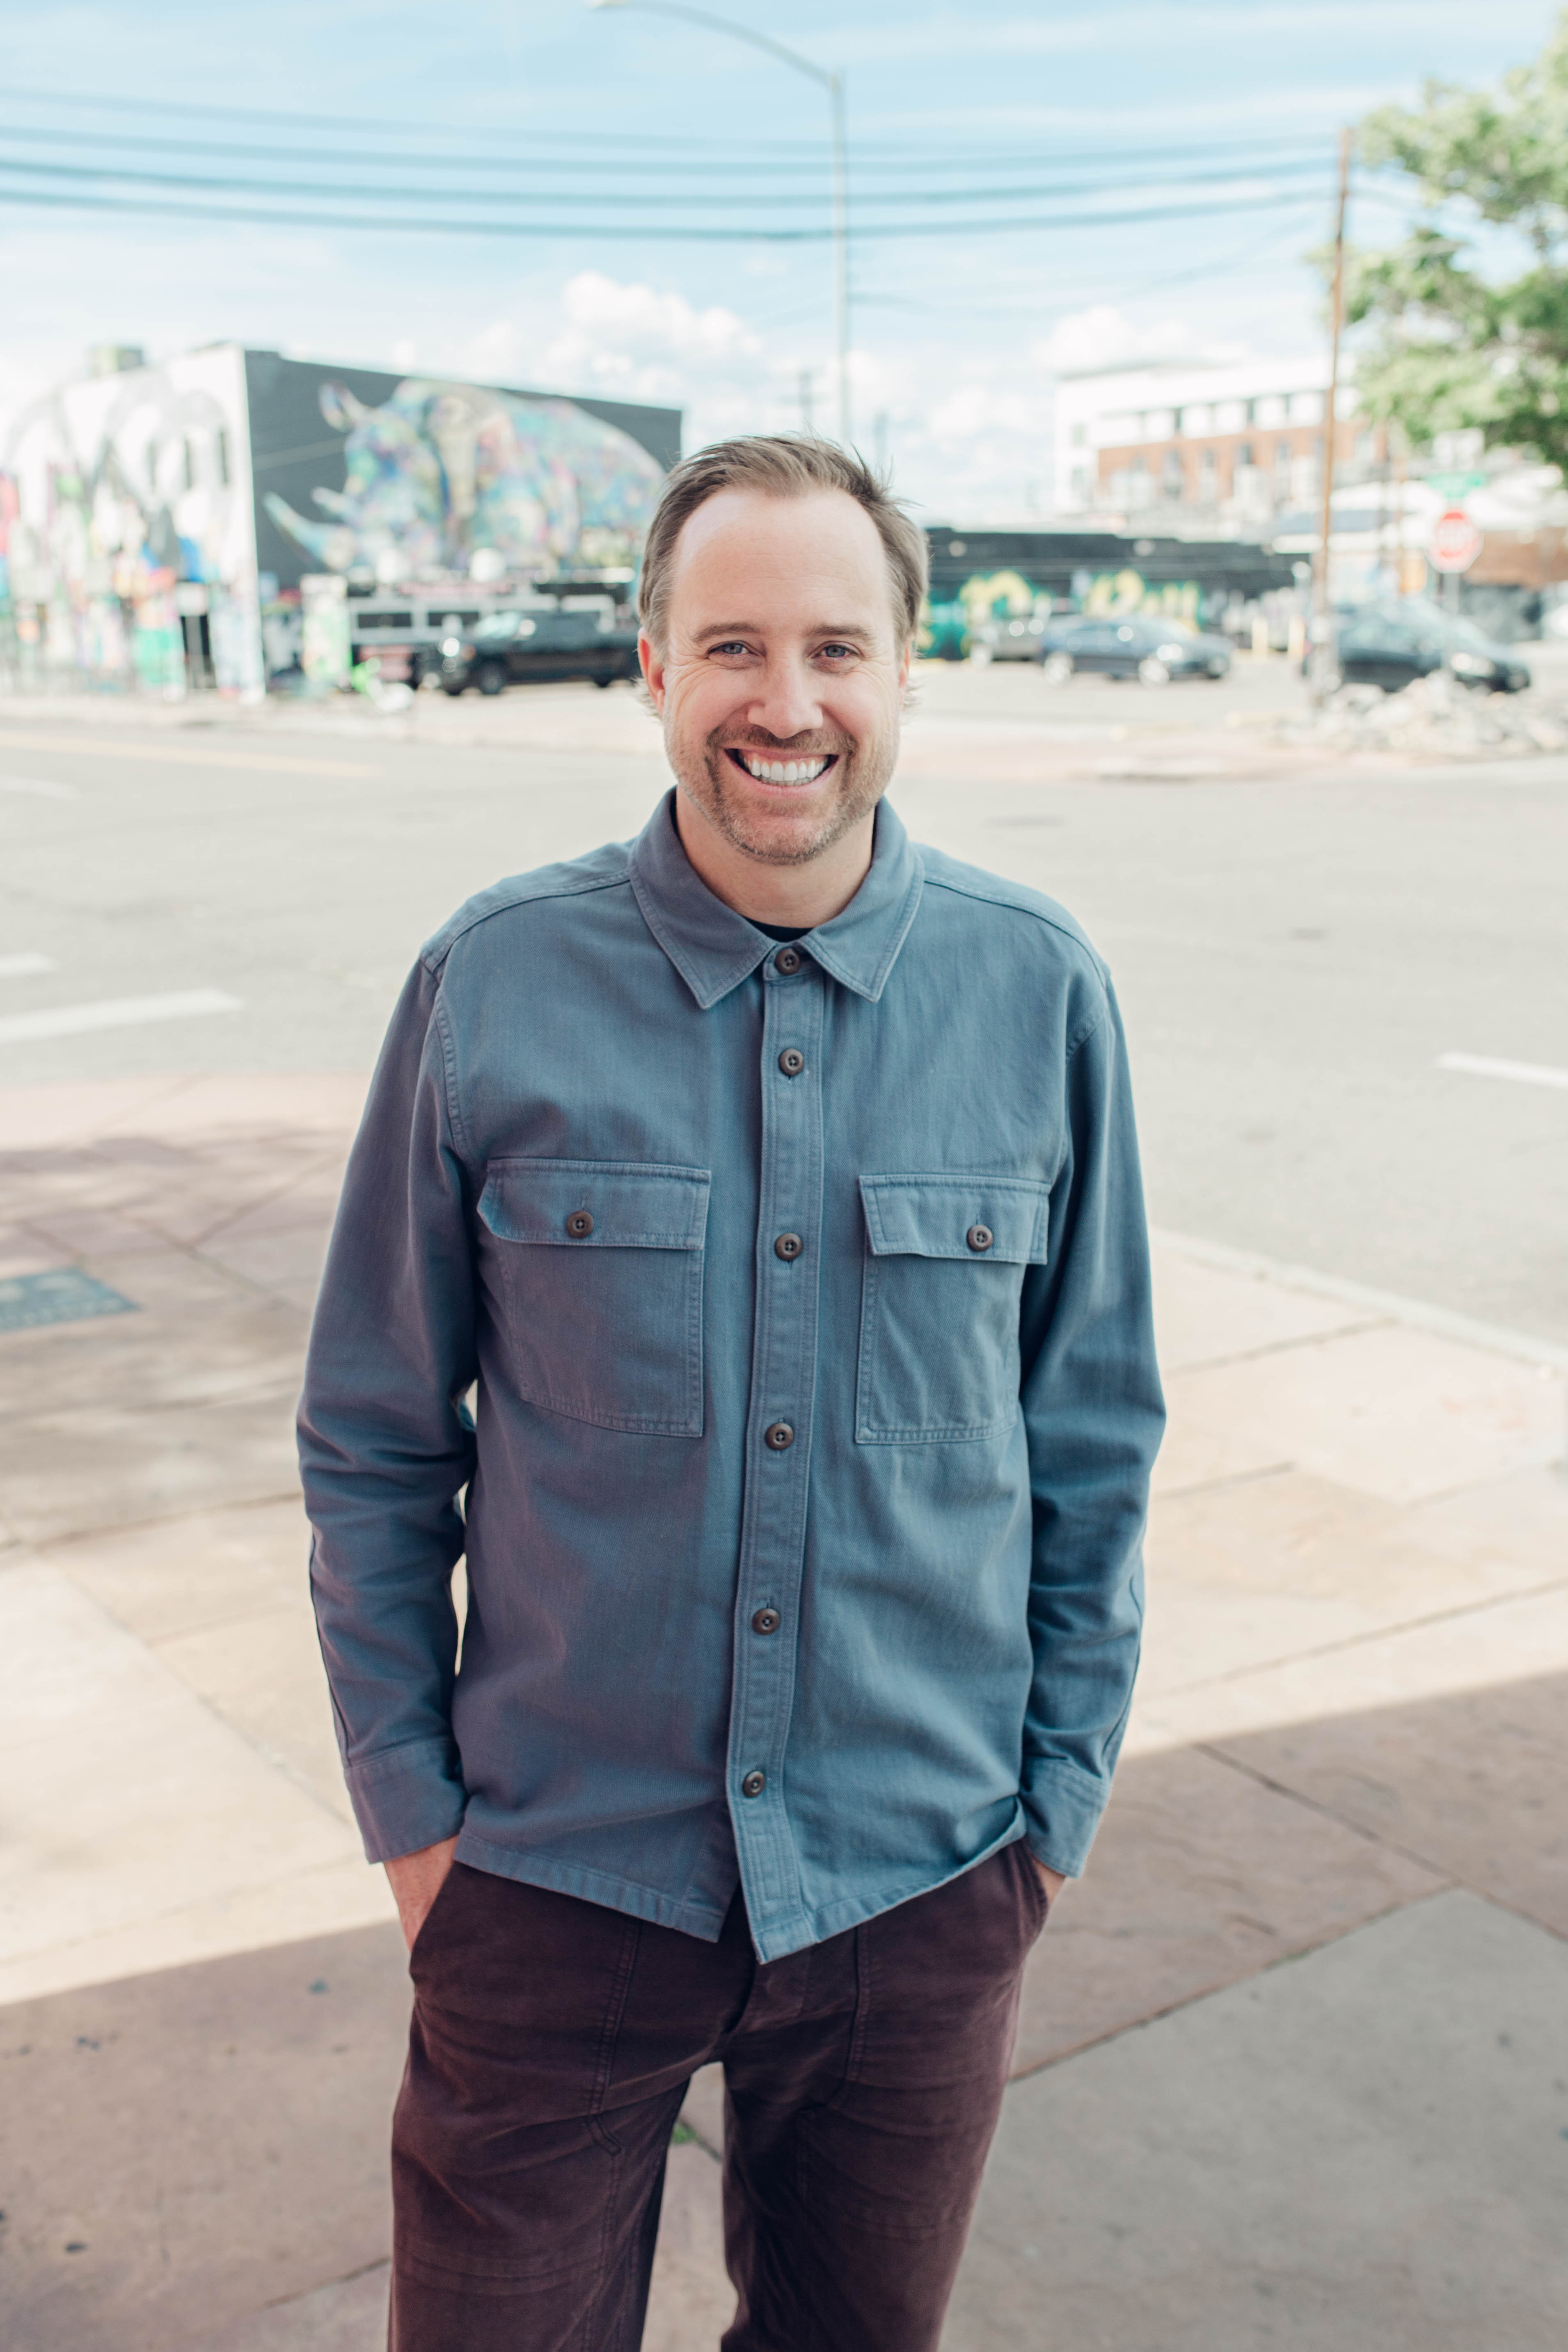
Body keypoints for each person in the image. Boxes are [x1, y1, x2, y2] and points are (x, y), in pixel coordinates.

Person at [299, 434, 1165, 2351]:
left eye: (837, 648)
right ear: (653, 671)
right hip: (546, 1873)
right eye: (734, 646)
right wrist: (415, 1825)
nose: (787, 704)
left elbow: (1090, 1440)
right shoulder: (494, 981)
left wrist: (1051, 1810)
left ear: (906, 673)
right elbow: (372, 1432)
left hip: (920, 1881)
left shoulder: (1037, 995)